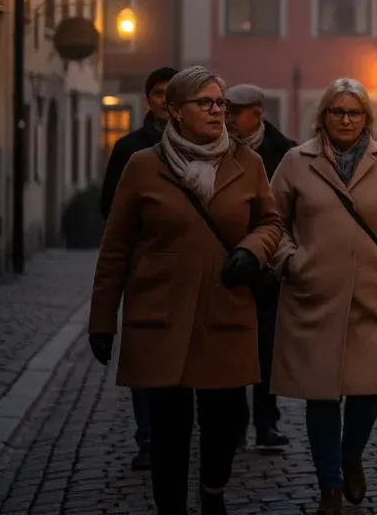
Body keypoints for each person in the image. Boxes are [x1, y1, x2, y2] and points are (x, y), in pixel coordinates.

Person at [88, 66, 285, 515]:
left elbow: (271, 222)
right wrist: (102, 321)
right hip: (162, 313)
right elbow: (116, 246)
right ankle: (171, 508)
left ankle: (212, 491)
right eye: (206, 103)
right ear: (175, 111)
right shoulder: (143, 165)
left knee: (225, 421)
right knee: (169, 429)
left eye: (221, 103)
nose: (218, 111)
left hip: (225, 308)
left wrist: (252, 250)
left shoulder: (247, 163)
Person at [270, 78, 377, 515]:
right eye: (337, 111)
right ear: (322, 117)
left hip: (371, 294)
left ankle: (352, 453)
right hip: (312, 296)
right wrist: (291, 261)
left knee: (367, 389)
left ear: (367, 119)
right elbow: (271, 221)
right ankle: (330, 487)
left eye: (354, 112)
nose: (345, 119)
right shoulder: (296, 162)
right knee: (320, 395)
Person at [98, 64, 178, 472]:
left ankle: (178, 432)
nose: (165, 100)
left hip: (188, 272)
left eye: (173, 93)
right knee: (146, 355)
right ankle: (147, 438)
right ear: (149, 99)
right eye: (160, 93)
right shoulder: (129, 149)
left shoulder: (209, 146)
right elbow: (110, 210)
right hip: (144, 270)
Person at [225, 83, 297, 452]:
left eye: (237, 112)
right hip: (232, 261)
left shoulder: (285, 152)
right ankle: (236, 424)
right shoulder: (217, 151)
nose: (229, 119)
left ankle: (267, 423)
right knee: (234, 347)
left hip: (270, 265)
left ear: (258, 112)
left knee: (268, 346)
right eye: (227, 112)